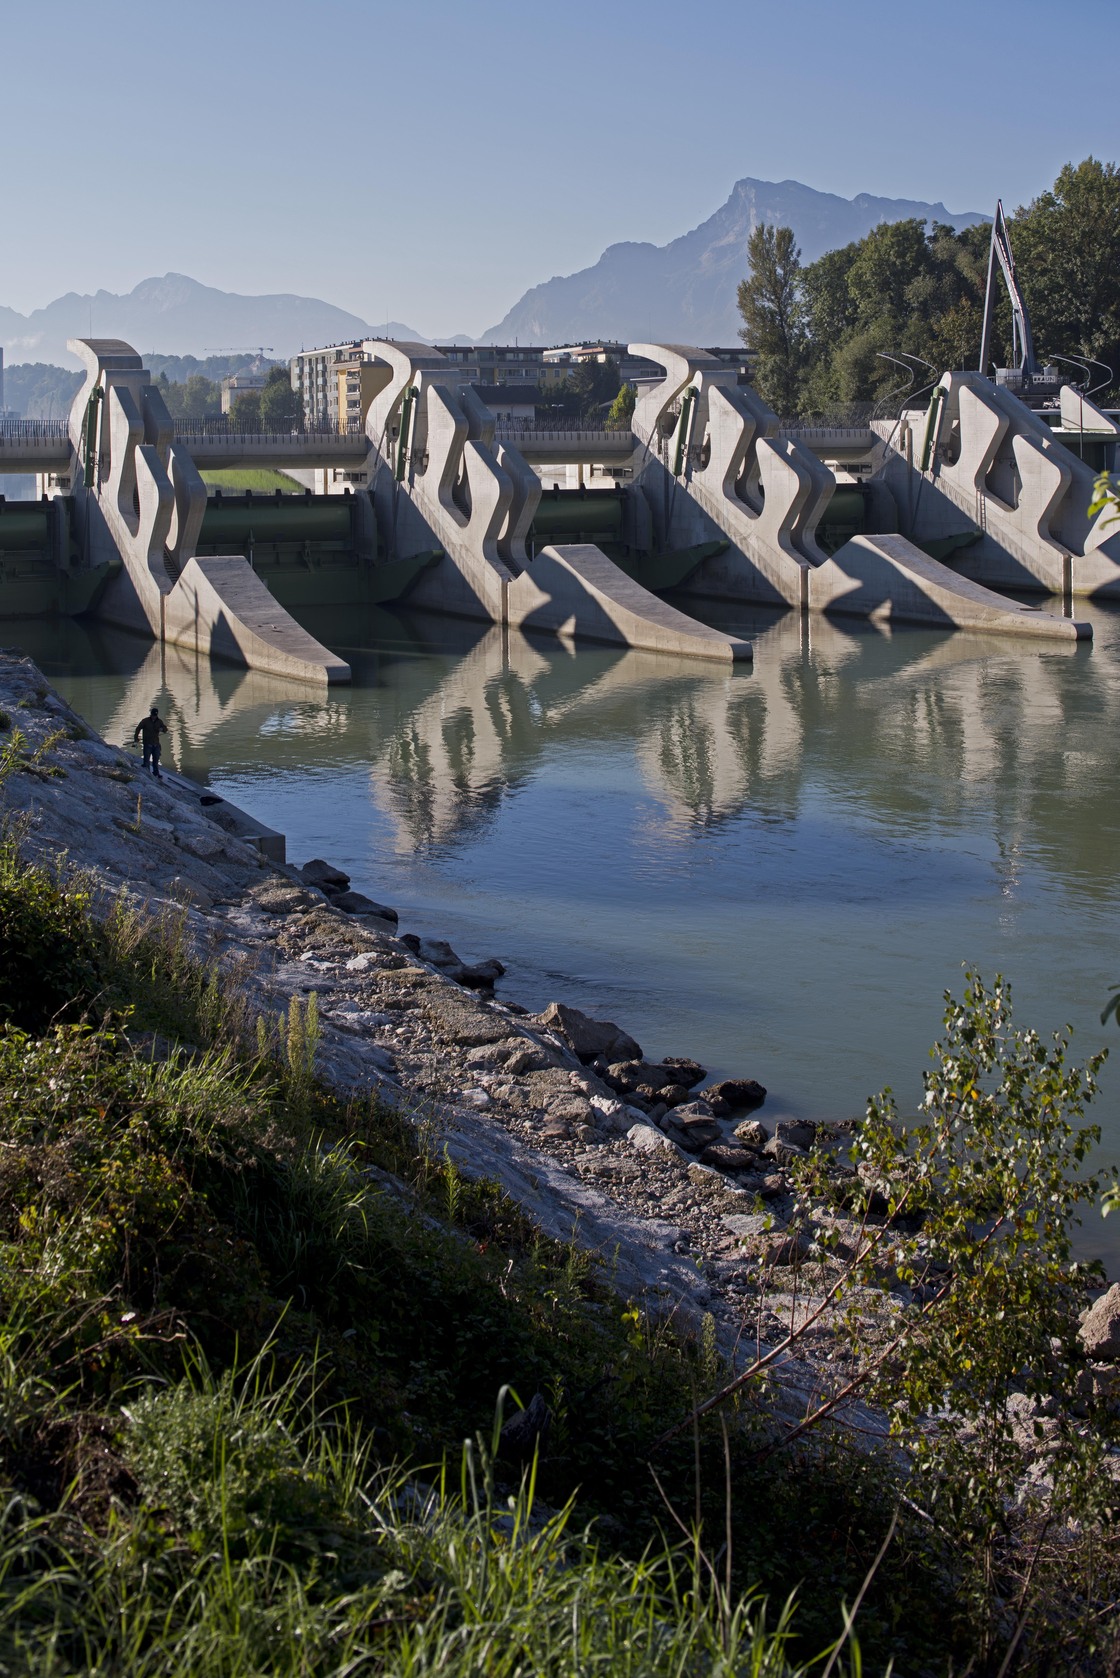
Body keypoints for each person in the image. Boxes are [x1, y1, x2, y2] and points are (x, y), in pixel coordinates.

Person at [134, 705, 168, 779]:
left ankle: (156, 773)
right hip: (147, 744)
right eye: (153, 715)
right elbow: (138, 728)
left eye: (155, 715)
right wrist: (136, 738)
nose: (154, 717)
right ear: (151, 714)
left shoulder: (159, 721)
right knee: (146, 761)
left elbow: (165, 729)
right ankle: (148, 775)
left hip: (156, 744)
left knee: (156, 760)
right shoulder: (145, 721)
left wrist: (162, 729)